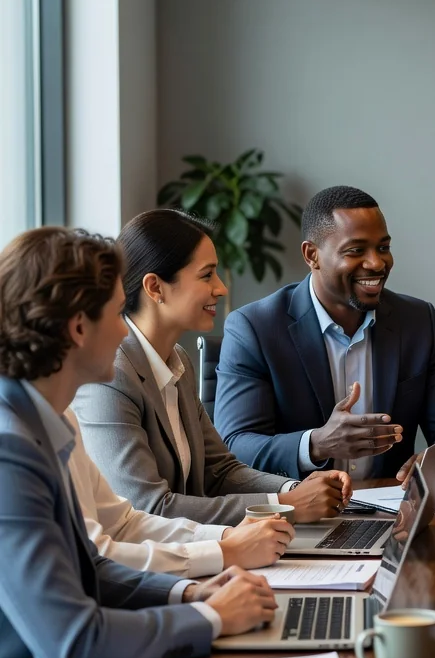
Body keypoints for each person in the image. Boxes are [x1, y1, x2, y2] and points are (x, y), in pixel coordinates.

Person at [0, 226, 286, 658]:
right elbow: (73, 641)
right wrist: (209, 618)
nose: (125, 322)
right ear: (79, 327)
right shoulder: (8, 449)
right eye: (114, 307)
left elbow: (93, 565)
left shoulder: (37, 418)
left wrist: (188, 592)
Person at [73, 210, 351, 526]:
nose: (221, 288)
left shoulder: (178, 361)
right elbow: (148, 509)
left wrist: (297, 489)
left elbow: (219, 471)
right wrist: (284, 505)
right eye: (207, 275)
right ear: (155, 287)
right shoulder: (111, 375)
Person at [213, 185, 435, 488]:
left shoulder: (417, 321)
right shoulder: (255, 328)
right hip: (296, 518)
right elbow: (234, 446)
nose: (377, 263)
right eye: (356, 250)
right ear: (312, 255)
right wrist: (316, 444)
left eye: (383, 247)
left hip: (391, 514)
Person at [66, 405, 294, 576]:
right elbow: (91, 560)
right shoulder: (113, 377)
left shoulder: (64, 417)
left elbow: (124, 523)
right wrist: (224, 552)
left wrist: (226, 537)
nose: (126, 337)